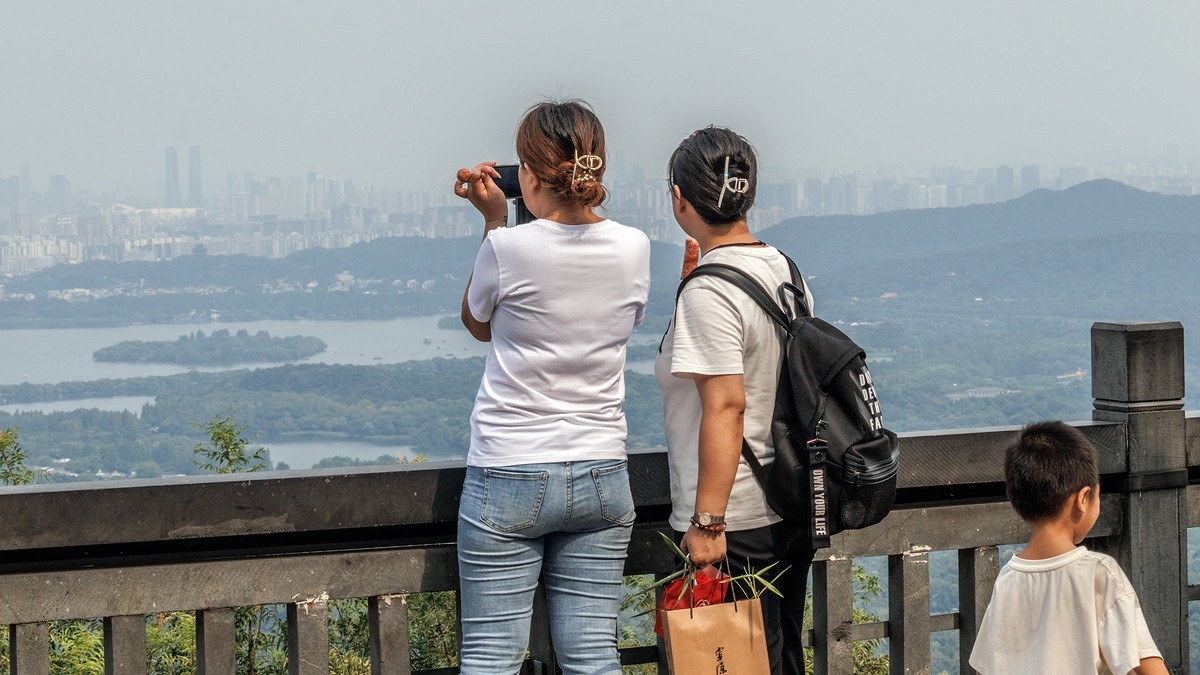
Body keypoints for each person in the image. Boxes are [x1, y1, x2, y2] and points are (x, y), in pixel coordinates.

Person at [452, 99, 651, 675]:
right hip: (602, 471)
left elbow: (478, 324)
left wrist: (494, 219)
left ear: (531, 177)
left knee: (492, 657)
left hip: (509, 468)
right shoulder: (634, 246)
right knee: (593, 655)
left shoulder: (507, 246)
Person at [655, 126, 815, 675]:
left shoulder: (712, 290)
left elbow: (726, 405)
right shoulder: (783, 269)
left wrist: (707, 523)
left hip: (736, 520)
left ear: (680, 198)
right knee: (779, 659)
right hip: (787, 500)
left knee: (734, 667)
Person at [968, 421, 1167, 674]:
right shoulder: (1099, 573)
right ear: (1083, 499)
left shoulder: (1007, 580)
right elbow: (1150, 669)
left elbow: (986, 667)